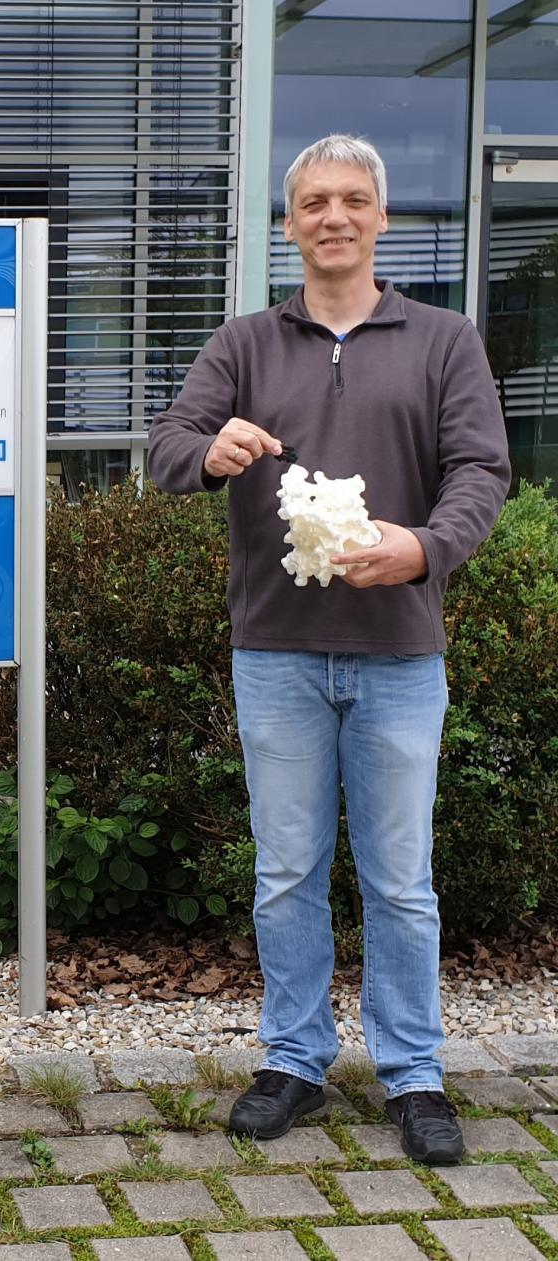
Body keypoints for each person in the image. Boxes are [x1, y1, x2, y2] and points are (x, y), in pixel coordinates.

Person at [147, 135, 510, 1164]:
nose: (335, 216)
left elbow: (483, 470)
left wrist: (425, 549)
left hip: (401, 653)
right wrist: (208, 451)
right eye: (314, 202)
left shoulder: (444, 339)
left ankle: (414, 1073)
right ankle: (295, 1061)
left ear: (382, 219)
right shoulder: (245, 344)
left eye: (354, 200)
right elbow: (167, 443)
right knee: (287, 870)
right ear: (291, 222)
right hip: (278, 652)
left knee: (399, 878)